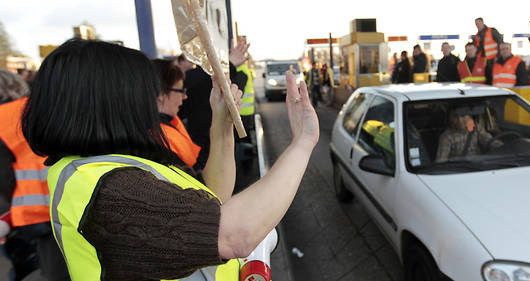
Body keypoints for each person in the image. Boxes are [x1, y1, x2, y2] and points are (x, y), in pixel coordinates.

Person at [21, 39, 319, 280]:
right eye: (143, 93)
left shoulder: (113, 166)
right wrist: (302, 142)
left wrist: (221, 125)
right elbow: (233, 235)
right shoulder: (106, 190)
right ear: (113, 102)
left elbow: (214, 196)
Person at [0, 69, 71, 281]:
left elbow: (4, 178)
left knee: (55, 272)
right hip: (67, 195)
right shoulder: (42, 108)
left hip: (34, 209)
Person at [178, 39, 249, 170]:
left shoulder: (237, 76)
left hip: (219, 139)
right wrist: (229, 66)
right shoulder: (195, 78)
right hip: (202, 143)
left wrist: (229, 67)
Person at [152, 59, 201, 169]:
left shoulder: (169, 123)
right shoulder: (157, 141)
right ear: (161, 94)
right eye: (180, 91)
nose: (184, 97)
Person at [435, 109, 499, 162]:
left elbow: (488, 140)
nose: (460, 120)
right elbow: (441, 161)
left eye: (463, 115)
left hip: (480, 166)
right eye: (455, 116)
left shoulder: (474, 127)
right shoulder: (446, 136)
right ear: (450, 118)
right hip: (460, 170)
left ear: (469, 117)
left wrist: (501, 147)